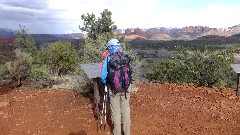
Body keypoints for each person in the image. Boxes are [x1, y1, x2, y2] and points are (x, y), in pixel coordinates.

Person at [101, 39, 132, 135]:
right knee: (126, 110)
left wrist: (108, 84)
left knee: (116, 112)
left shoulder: (108, 59)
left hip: (114, 89)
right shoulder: (125, 57)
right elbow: (129, 73)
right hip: (127, 88)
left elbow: (103, 76)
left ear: (110, 48)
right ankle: (127, 133)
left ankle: (117, 133)